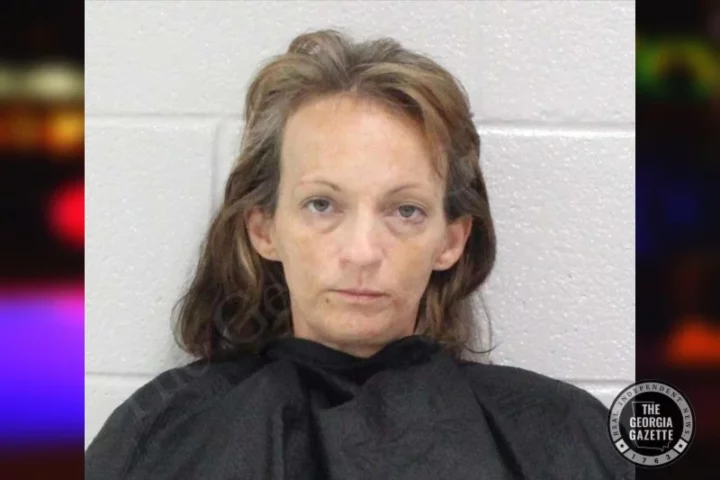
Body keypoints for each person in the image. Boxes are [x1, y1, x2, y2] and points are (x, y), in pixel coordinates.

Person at [85, 29, 633, 479]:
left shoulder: (564, 434)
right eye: (322, 204)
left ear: (451, 241)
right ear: (264, 229)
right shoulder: (159, 433)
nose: (362, 252)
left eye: (405, 211)